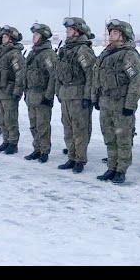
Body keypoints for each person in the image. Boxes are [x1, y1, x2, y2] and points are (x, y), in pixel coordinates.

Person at [93, 19, 140, 184]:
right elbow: (97, 77)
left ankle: (121, 170)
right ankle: (111, 167)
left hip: (121, 105)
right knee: (109, 138)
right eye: (110, 32)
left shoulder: (128, 55)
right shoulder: (106, 53)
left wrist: (130, 105)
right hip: (106, 103)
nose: (110, 35)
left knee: (123, 139)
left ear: (123, 35)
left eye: (114, 32)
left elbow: (136, 81)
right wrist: (95, 97)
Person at [55, 17, 96, 174]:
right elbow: (58, 73)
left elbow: (90, 75)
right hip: (66, 95)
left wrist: (87, 96)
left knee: (80, 129)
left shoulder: (83, 50)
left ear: (78, 31)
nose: (67, 32)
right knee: (68, 128)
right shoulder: (66, 50)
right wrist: (58, 90)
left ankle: (80, 159)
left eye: (70, 30)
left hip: (79, 96)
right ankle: (71, 157)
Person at [24, 23, 57, 163]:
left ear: (43, 37)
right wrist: (25, 92)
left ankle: (44, 151)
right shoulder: (33, 52)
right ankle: (37, 149)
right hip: (31, 95)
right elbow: (26, 73)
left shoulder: (47, 54)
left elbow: (53, 76)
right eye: (33, 34)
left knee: (43, 125)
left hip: (42, 95)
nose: (34, 37)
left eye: (36, 35)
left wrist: (48, 96)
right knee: (33, 125)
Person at [0, 25, 26, 155]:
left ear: (11, 39)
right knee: (2, 119)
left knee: (10, 119)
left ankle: (13, 143)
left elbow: (20, 74)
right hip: (0, 91)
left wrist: (17, 91)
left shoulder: (15, 54)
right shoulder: (1, 52)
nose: (2, 38)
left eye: (5, 37)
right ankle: (5, 141)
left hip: (9, 92)